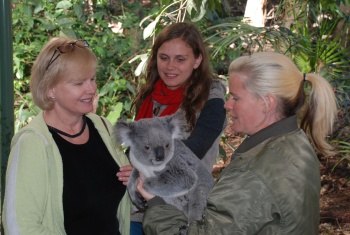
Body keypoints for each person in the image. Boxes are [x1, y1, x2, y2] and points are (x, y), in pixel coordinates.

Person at [136, 51, 338, 234]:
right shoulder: (295, 140)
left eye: (236, 98)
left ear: (267, 103)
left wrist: (156, 203)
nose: (227, 105)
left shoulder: (255, 171)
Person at [2, 37, 132, 235]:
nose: (91, 89)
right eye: (79, 83)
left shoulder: (102, 126)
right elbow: (19, 226)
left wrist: (134, 177)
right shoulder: (33, 143)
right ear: (50, 89)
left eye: (92, 79)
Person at [130, 22, 227, 234]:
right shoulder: (151, 95)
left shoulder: (212, 99)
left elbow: (193, 151)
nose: (170, 66)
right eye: (164, 58)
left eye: (180, 59)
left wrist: (139, 166)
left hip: (181, 213)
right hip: (139, 207)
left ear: (197, 60)